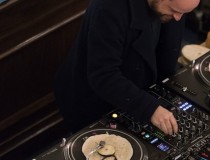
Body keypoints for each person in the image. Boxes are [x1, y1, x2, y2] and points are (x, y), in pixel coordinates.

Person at [54, 0, 200, 135]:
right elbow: (103, 75)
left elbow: (167, 51)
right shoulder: (109, 8)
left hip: (133, 85)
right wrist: (149, 108)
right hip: (92, 98)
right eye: (174, 10)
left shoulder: (176, 7)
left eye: (184, 13)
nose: (178, 18)